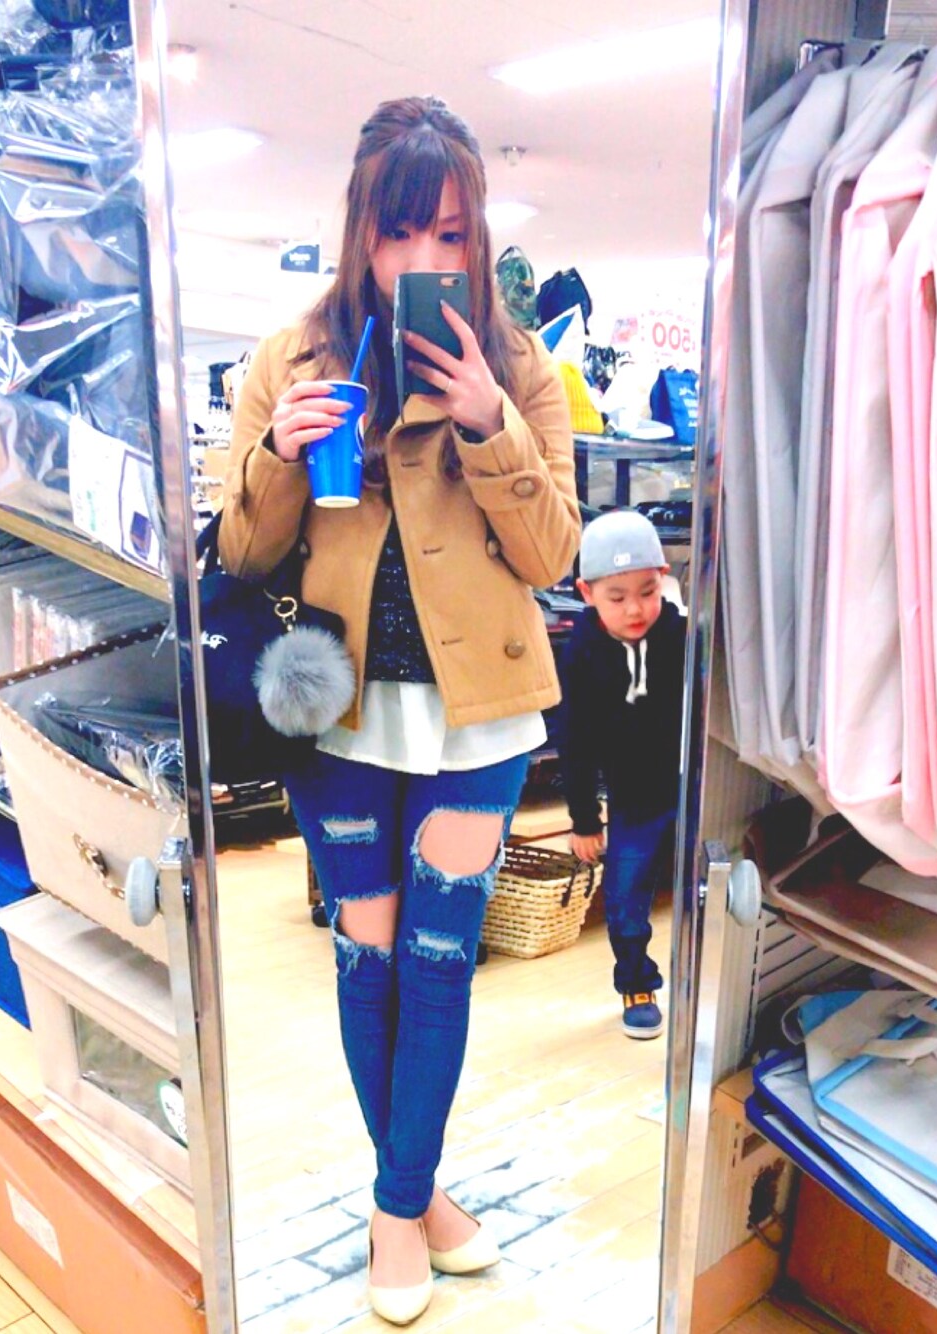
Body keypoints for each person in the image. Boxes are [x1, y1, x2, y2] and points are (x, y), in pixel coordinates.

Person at [219, 95, 579, 1325]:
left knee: (437, 963)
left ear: (478, 238)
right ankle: (417, 1191)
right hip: (337, 712)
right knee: (365, 955)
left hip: (479, 716)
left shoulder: (520, 367)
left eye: (451, 233)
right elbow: (243, 552)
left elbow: (552, 555)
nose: (424, 257)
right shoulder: (292, 357)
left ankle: (392, 1206)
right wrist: (278, 450)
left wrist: (488, 421)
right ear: (358, 232)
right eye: (399, 231)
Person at [558, 510, 686, 1040]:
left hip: (696, 787)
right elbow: (575, 744)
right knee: (625, 896)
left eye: (647, 591)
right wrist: (585, 819)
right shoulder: (581, 656)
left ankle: (710, 983)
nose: (635, 609)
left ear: (663, 579)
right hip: (634, 801)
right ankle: (637, 984)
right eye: (617, 597)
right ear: (587, 593)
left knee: (715, 888)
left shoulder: (684, 635)